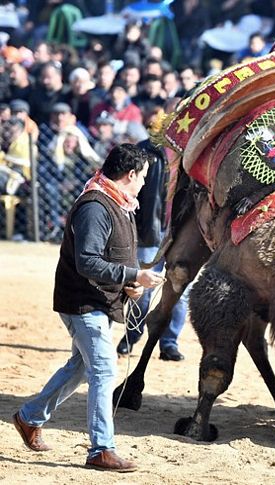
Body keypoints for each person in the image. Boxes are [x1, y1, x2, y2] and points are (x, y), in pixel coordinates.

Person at [12, 143, 164, 472]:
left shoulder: (115, 202)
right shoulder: (95, 206)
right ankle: (101, 450)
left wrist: (127, 283)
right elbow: (88, 262)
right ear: (131, 174)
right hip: (83, 302)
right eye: (143, 177)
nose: (144, 184)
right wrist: (133, 274)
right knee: (104, 370)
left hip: (97, 300)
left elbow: (106, 257)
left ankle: (29, 418)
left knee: (81, 367)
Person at [117, 139, 188, 361]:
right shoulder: (148, 150)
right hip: (150, 232)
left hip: (181, 234)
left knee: (179, 291)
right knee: (142, 287)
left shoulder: (197, 150)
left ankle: (169, 343)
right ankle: (132, 335)